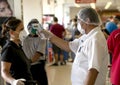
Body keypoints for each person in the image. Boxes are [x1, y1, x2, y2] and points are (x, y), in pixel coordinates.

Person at [41, 7, 109, 85]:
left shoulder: (95, 40)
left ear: (87, 20)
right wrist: (50, 36)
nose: (78, 23)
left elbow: (93, 70)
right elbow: (68, 46)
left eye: (79, 20)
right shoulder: (87, 36)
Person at [0, 18, 34, 85]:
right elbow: (4, 71)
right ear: (12, 32)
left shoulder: (18, 47)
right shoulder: (8, 48)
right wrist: (13, 81)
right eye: (21, 30)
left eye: (23, 29)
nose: (24, 32)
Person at [22, 19, 48, 85]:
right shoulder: (24, 39)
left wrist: (29, 62)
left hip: (38, 66)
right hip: (27, 67)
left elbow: (38, 53)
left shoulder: (41, 39)